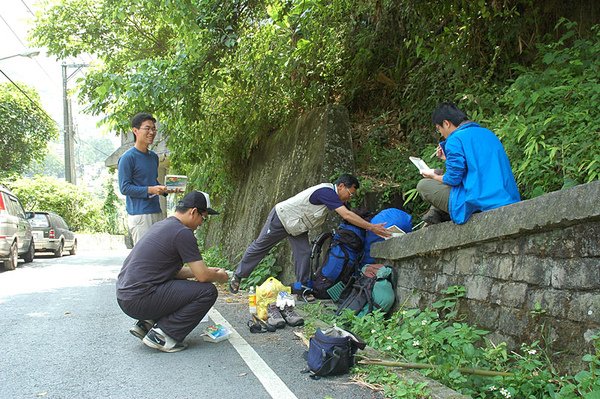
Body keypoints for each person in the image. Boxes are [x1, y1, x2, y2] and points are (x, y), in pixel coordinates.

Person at [228, 174, 391, 294]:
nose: (350, 197)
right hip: (282, 217)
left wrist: (370, 223)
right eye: (350, 192)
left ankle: (303, 287)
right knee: (261, 247)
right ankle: (238, 275)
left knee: (304, 252)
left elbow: (351, 215)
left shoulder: (335, 199)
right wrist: (372, 227)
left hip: (296, 226)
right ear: (341, 186)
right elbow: (347, 216)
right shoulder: (326, 193)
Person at [116, 191, 229, 353]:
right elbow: (203, 277)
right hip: (139, 298)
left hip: (126, 295)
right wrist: (219, 276)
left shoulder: (162, 225)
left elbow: (172, 271)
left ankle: (146, 324)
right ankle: (163, 335)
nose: (202, 223)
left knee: (182, 285)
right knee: (207, 291)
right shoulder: (183, 233)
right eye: (203, 217)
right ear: (193, 212)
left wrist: (200, 272)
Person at [416, 102, 520, 225]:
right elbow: (476, 168)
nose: (441, 134)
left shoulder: (454, 140)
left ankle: (440, 213)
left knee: (423, 185)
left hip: (479, 200)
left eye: (439, 129)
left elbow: (453, 179)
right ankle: (436, 213)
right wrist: (447, 158)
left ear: (446, 123)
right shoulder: (487, 133)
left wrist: (433, 175)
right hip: (507, 197)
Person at [118, 112, 177, 245]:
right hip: (140, 216)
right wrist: (151, 190)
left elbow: (152, 181)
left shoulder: (153, 157)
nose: (152, 132)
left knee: (159, 256)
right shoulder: (127, 158)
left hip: (157, 211)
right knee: (144, 261)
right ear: (135, 130)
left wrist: (167, 189)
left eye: (154, 129)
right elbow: (124, 188)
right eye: (147, 128)